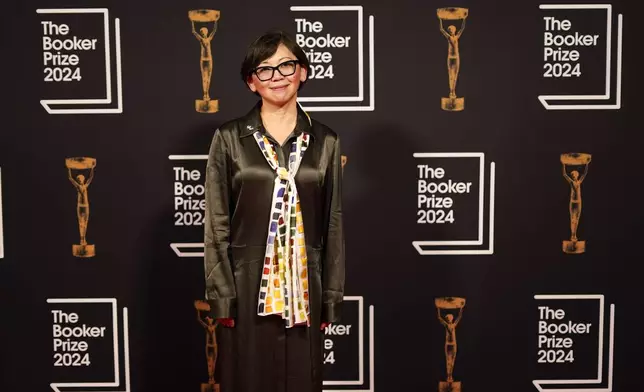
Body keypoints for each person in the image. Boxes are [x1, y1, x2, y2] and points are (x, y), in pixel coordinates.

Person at [202, 29, 345, 392]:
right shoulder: (230, 138)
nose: (277, 76)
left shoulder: (326, 141)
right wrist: (223, 296)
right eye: (264, 69)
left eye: (286, 65)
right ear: (252, 82)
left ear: (303, 72)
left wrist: (330, 297)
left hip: (304, 291)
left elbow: (333, 224)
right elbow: (217, 221)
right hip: (247, 289)